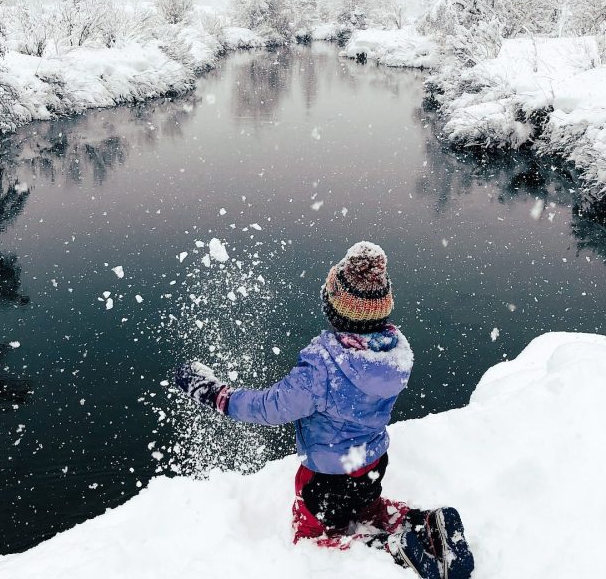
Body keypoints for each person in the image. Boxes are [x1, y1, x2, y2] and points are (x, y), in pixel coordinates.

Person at [175, 241, 474, 578]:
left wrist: (218, 395)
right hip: (372, 462)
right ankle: (424, 523)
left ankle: (390, 549)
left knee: (311, 541)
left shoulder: (321, 370)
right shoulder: (395, 356)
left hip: (326, 479)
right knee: (367, 507)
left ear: (335, 308)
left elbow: (269, 408)